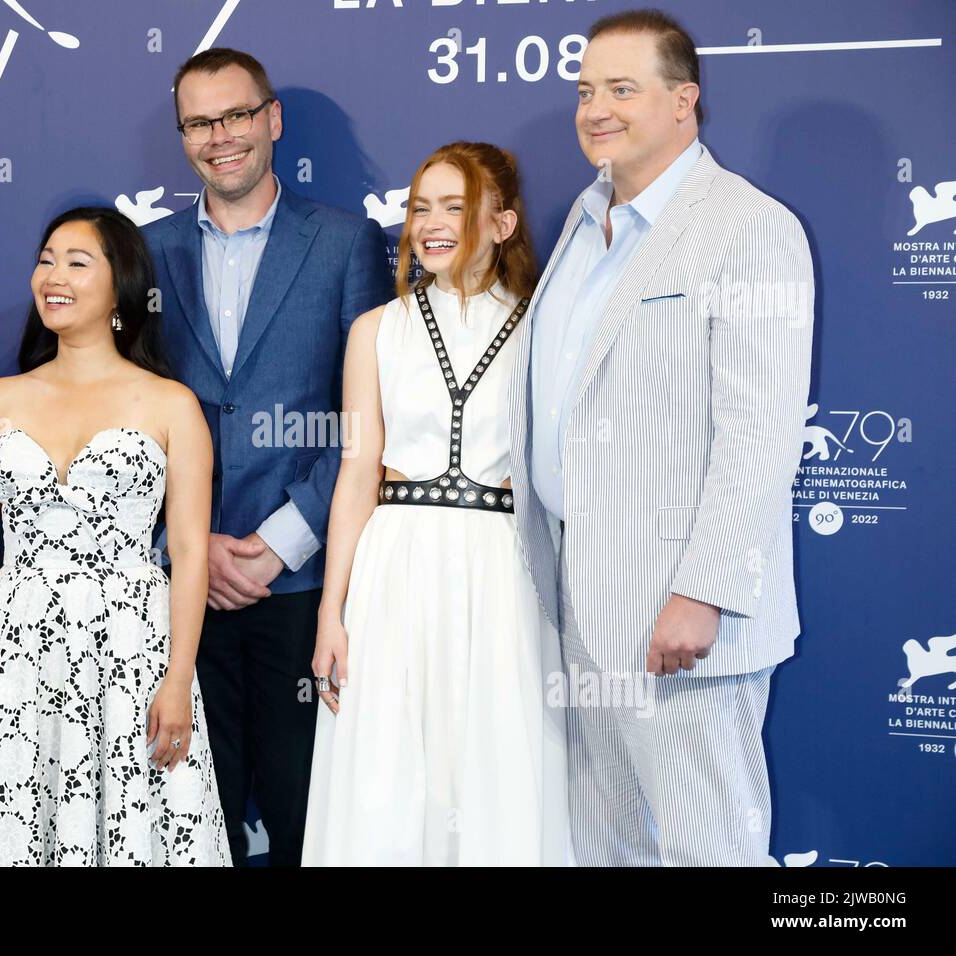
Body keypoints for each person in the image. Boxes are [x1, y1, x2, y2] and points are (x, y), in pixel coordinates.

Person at [507, 9, 815, 866]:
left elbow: (759, 431)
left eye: (621, 89)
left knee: (708, 847)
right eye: (585, 91)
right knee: (604, 849)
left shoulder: (750, 228)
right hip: (578, 603)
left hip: (679, 616)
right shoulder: (581, 219)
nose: (595, 109)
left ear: (685, 101)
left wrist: (703, 591)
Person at [0, 207, 230, 866]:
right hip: (13, 647)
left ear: (121, 287)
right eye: (46, 259)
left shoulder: (172, 406)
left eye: (77, 262)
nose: (52, 276)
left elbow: (191, 551)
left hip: (131, 650)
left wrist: (177, 679)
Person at [143, 48, 390, 866]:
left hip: (302, 582)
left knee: (304, 812)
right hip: (178, 585)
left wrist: (283, 541)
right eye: (201, 122)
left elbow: (370, 418)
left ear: (272, 119)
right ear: (183, 136)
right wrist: (188, 546)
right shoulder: (144, 252)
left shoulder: (348, 244)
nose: (222, 137)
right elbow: (121, 413)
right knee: (185, 817)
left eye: (238, 115)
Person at [303, 142, 569, 866]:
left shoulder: (543, 328)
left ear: (503, 223)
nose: (432, 222)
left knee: (494, 763)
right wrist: (333, 611)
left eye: (456, 206)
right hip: (394, 568)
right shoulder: (375, 332)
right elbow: (358, 471)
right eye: (422, 206)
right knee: (388, 769)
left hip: (502, 570)